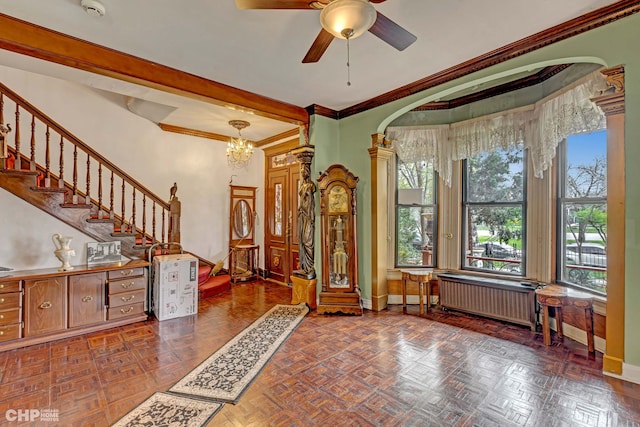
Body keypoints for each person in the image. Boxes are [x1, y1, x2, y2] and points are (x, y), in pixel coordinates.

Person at [295, 162, 316, 279]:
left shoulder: (311, 185)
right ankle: (304, 267)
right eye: (301, 171)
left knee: (308, 240)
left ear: (308, 171)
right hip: (302, 215)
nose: (302, 173)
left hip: (308, 216)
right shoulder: (302, 186)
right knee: (302, 240)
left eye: (304, 171)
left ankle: (310, 266)